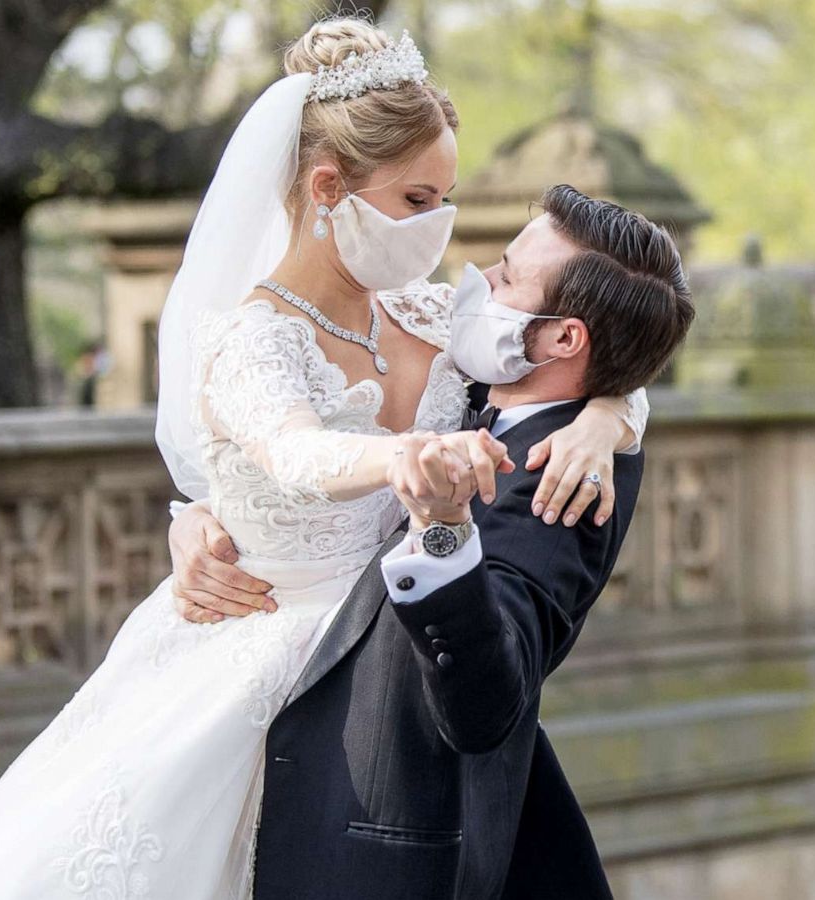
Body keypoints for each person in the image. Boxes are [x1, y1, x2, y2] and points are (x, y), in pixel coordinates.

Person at [0, 19, 652, 900]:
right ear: (329, 187)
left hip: (403, 715)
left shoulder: (435, 318)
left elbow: (578, 350)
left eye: (446, 198)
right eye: (416, 201)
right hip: (246, 674)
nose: (442, 228)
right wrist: (395, 458)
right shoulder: (250, 340)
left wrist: (610, 413)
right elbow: (295, 450)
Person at [172, 185, 693, 897]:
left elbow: (485, 704)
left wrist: (446, 533)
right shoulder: (499, 387)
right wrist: (205, 514)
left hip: (392, 840)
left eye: (508, 276)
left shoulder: (561, 488)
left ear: (564, 338)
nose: (479, 281)